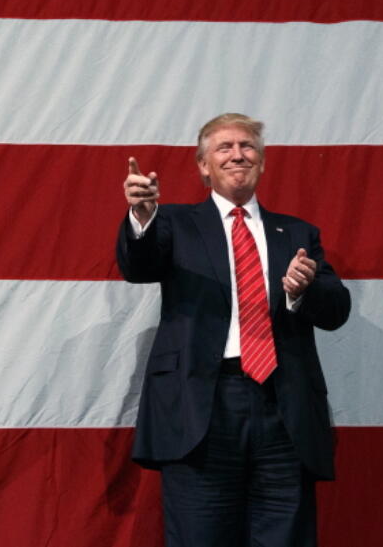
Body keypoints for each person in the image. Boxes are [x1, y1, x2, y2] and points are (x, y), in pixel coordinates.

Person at [118, 112, 351, 546]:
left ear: (261, 163)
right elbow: (139, 266)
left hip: (283, 409)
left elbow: (336, 310)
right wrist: (143, 217)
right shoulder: (173, 223)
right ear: (203, 166)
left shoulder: (297, 232)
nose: (237, 154)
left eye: (247, 147)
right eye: (224, 147)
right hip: (201, 408)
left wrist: (302, 292)